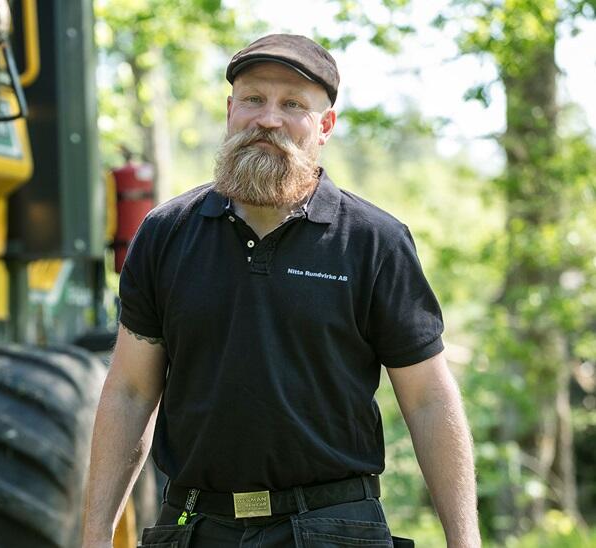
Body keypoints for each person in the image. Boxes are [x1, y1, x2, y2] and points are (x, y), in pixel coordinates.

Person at [82, 33, 480, 548]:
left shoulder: (373, 242)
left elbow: (428, 399)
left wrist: (464, 541)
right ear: (230, 111)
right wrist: (94, 536)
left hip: (334, 528)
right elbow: (132, 392)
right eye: (254, 99)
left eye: (292, 104)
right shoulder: (165, 234)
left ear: (325, 126)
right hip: (195, 527)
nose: (268, 118)